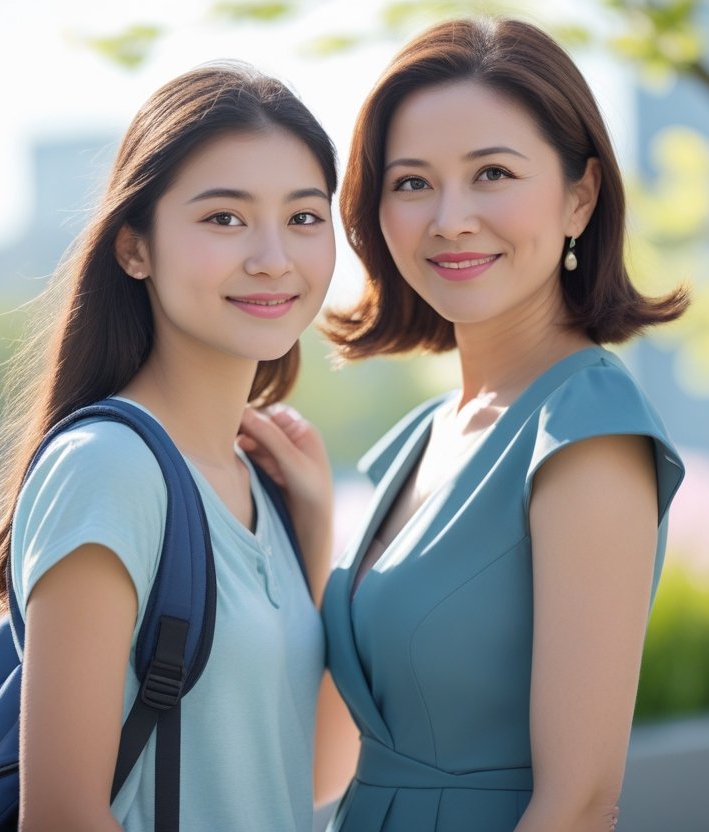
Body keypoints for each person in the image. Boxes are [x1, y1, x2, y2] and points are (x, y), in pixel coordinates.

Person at [281, 17, 688, 832]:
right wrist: (309, 534)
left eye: (492, 173)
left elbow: (576, 805)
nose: (451, 218)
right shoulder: (429, 435)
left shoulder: (588, 434)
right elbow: (333, 760)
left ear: (580, 196)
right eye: (411, 183)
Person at [0, 63, 338, 831]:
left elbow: (312, 772)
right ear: (134, 248)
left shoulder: (255, 483)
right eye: (225, 219)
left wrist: (315, 535)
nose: (273, 256)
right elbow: (63, 819)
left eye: (304, 217)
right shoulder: (110, 469)